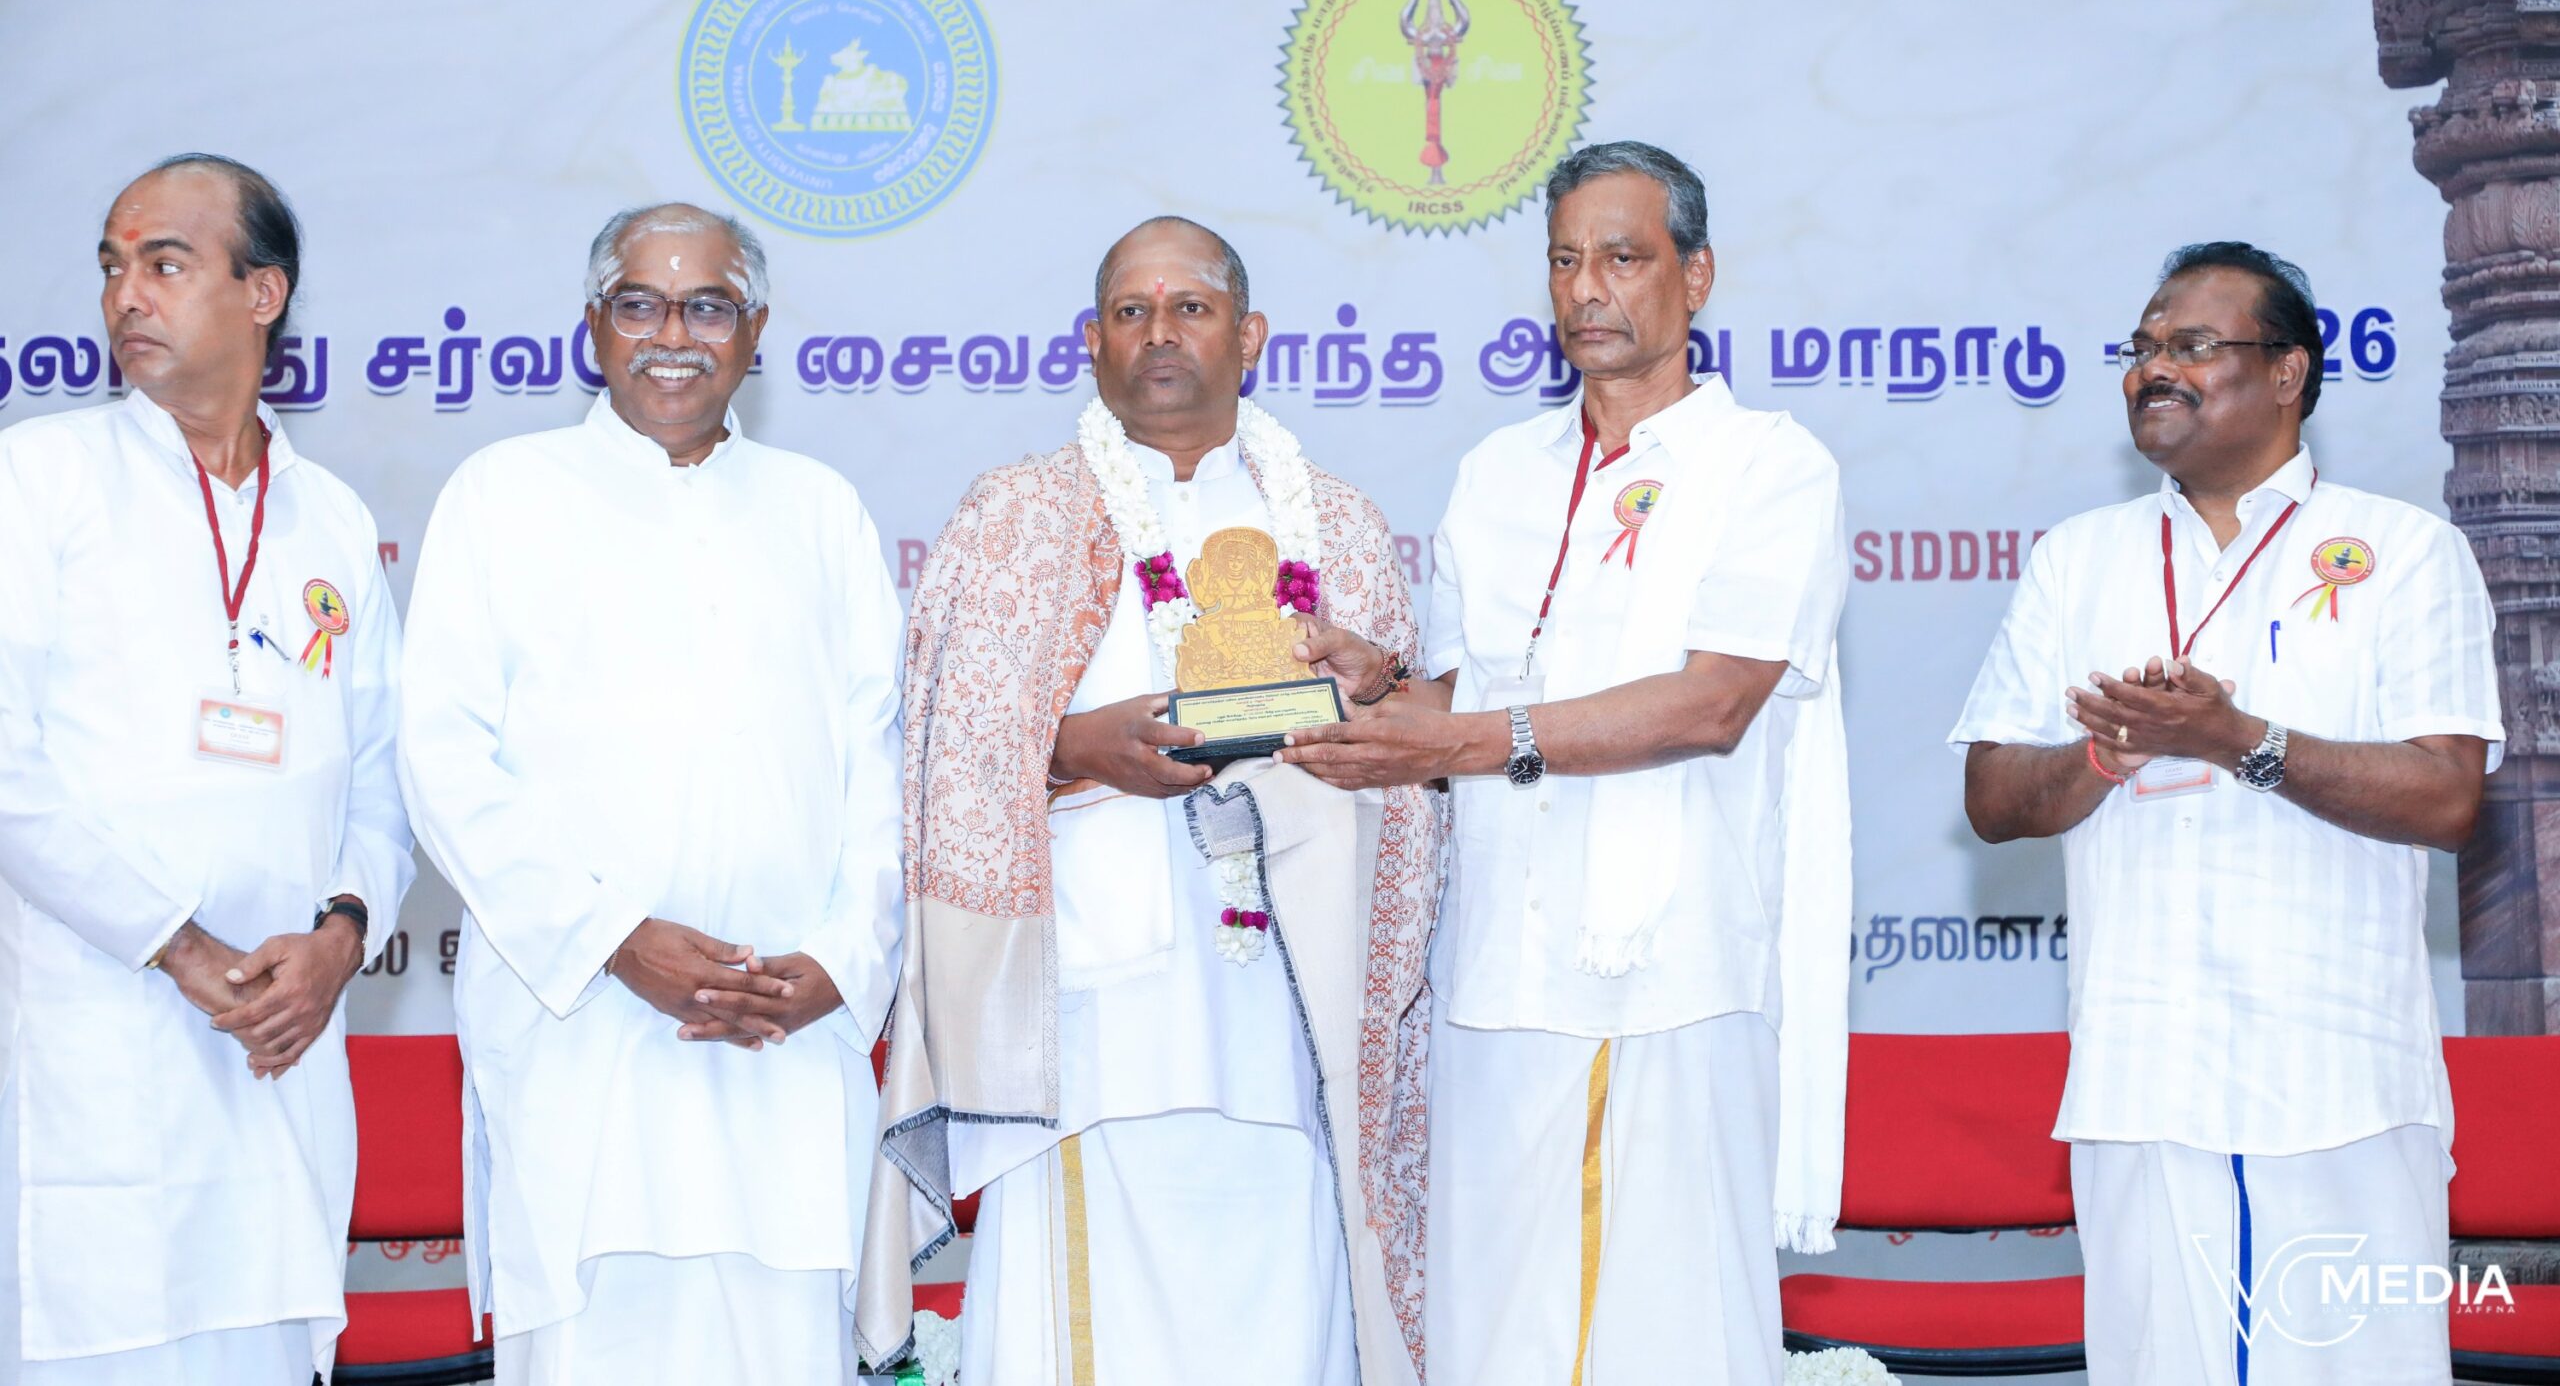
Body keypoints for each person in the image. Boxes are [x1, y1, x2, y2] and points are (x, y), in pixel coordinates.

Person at [1279, 141, 1853, 1385]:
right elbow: (1467, 695)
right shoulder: (1499, 473)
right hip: (1497, 971)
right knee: (1499, 1329)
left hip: (1674, 972)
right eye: (1563, 260)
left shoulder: (1769, 465)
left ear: (1695, 276)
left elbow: (1713, 703)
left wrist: (1462, 737)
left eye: (1622, 258)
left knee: (1669, 1333)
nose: (1586, 287)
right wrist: (1378, 688)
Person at [858, 218, 1443, 1386]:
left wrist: (1372, 689)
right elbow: (938, 756)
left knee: (1281, 1312)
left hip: (1285, 1021)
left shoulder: (1337, 527)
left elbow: (1416, 777)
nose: (1160, 332)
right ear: (1092, 341)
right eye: (1131, 311)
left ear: (1249, 336)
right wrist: (1079, 748)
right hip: (1089, 1024)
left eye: (1191, 307)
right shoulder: (1012, 518)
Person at [1952, 241, 2502, 1385]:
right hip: (2142, 1078)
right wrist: (2105, 753)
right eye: (2142, 346)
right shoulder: (2076, 560)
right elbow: (1993, 798)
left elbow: (2450, 797)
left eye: (2192, 344)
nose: (2153, 368)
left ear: (2288, 372)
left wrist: (2237, 740)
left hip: (2338, 1082)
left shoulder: (2404, 551)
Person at [398, 203, 903, 1386]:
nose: (673, 335)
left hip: (786, 1042)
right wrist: (613, 941)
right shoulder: (502, 493)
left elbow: (880, 762)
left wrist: (841, 962)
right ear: (594, 325)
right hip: (584, 1036)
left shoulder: (820, 510)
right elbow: (443, 758)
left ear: (755, 329)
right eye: (641, 303)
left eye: (708, 305)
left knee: (784, 1347)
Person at [0, 154, 412, 1383]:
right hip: (98, 1041)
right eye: (113, 267)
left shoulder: (330, 516)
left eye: (166, 263)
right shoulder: (41, 478)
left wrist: (340, 939)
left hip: (278, 1054)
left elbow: (386, 779)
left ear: (262, 292)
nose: (126, 294)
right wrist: (178, 945)